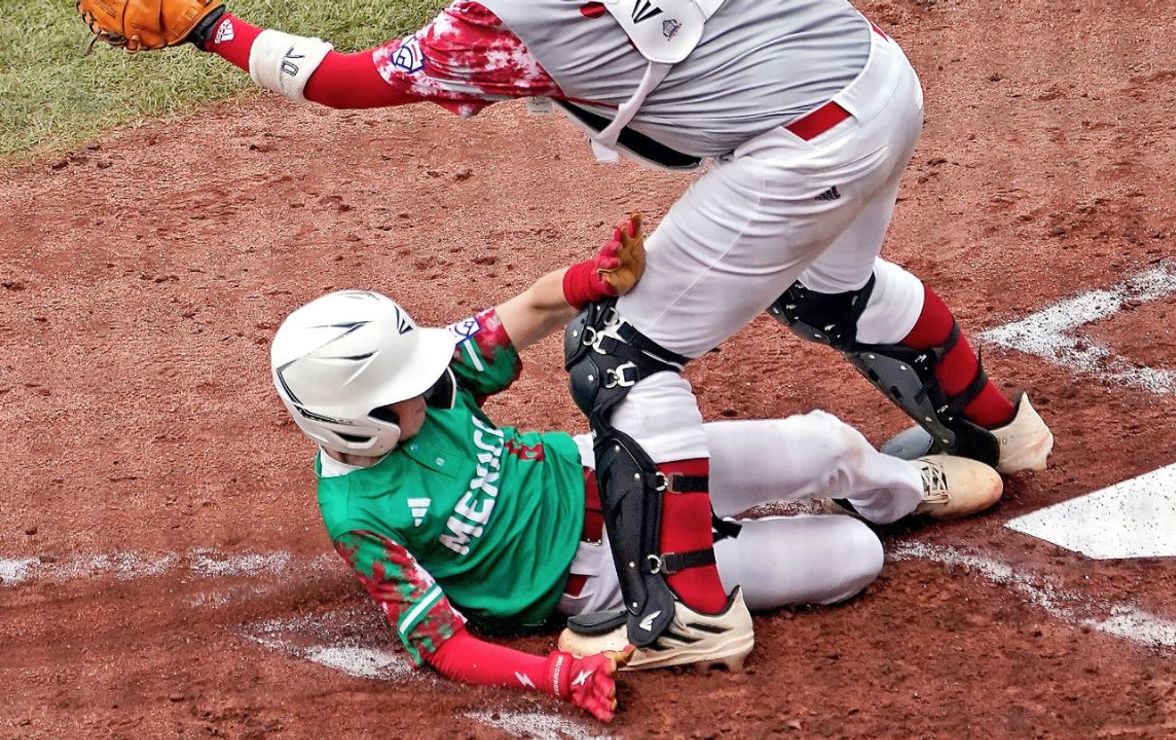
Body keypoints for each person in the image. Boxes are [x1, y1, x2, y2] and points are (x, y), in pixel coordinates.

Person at [79, 0, 1052, 670]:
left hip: (799, 144)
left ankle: (688, 611)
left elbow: (342, 79)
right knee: (829, 305)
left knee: (621, 351)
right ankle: (993, 427)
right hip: (870, 74)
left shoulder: (499, 24)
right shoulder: (366, 502)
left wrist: (211, 25)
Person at [268, 217, 1002, 721]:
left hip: (622, 465)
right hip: (610, 580)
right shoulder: (358, 515)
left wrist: (596, 276)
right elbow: (443, 645)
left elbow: (527, 308)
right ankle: (646, 626)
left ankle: (902, 491)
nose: (427, 388)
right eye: (402, 393)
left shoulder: (436, 385)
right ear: (349, 419)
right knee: (852, 559)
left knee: (829, 444)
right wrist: (557, 676)